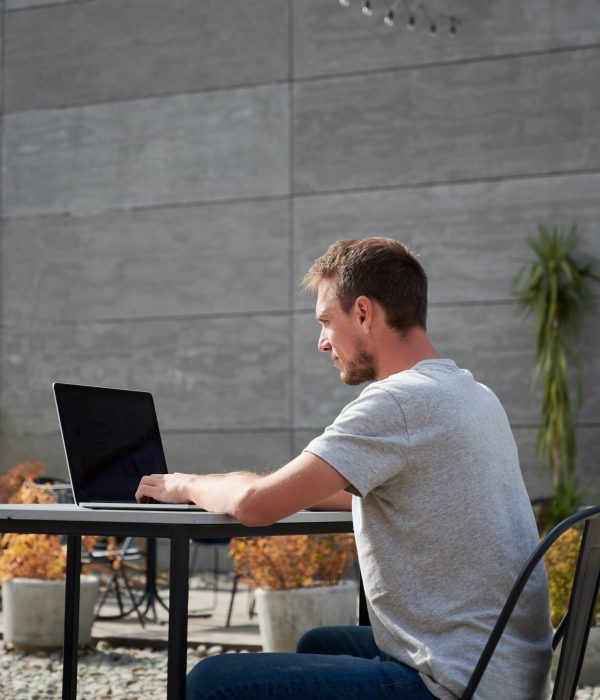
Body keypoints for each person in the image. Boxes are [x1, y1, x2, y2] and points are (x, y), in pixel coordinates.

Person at [135, 237, 553, 700]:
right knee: (319, 643)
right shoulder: (473, 393)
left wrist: (186, 484)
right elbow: (340, 492)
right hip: (506, 668)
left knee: (211, 683)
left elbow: (256, 506)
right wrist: (259, 487)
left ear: (362, 313)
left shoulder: (399, 400)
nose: (321, 342)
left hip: (458, 684)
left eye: (325, 322)